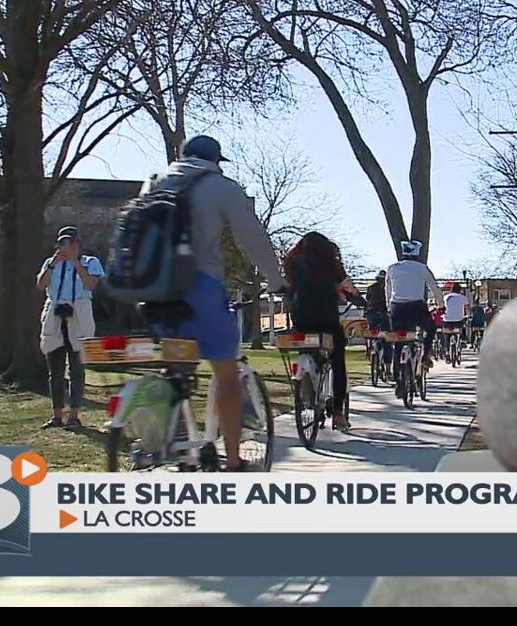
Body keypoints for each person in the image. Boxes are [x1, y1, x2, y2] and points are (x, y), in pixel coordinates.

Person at [141, 135, 285, 471]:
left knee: (178, 364)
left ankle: (176, 443)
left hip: (153, 290)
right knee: (226, 371)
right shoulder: (221, 186)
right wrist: (276, 280)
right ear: (216, 160)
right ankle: (233, 460)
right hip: (199, 287)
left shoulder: (153, 183)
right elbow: (252, 240)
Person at [286, 231, 365, 431]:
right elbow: (349, 289)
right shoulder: (331, 264)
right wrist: (359, 301)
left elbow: (286, 287)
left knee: (306, 346)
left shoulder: (292, 264)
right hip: (327, 321)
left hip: (301, 320)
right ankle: (338, 412)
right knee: (338, 361)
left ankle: (308, 384)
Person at [37, 226, 105, 429]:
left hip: (79, 313)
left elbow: (91, 284)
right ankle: (56, 415)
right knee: (55, 369)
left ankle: (74, 416)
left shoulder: (90, 262)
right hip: (55, 312)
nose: (67, 247)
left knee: (77, 368)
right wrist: (53, 264)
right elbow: (41, 285)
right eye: (63, 243)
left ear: (78, 244)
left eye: (71, 243)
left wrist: (75, 262)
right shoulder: (51, 264)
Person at [386, 240, 441, 395]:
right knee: (430, 329)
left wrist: (389, 308)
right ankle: (425, 356)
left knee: (398, 343)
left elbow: (388, 290)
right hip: (416, 306)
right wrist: (440, 304)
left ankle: (399, 380)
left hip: (397, 307)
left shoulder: (392, 268)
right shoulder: (422, 268)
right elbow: (435, 288)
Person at [365, 269, 392, 380]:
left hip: (371, 315)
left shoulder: (370, 288)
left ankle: (370, 349)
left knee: (371, 334)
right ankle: (388, 371)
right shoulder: (388, 289)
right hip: (383, 315)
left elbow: (367, 300)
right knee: (387, 341)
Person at [442, 282, 469, 350]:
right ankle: (463, 340)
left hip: (447, 319)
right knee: (463, 327)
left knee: (447, 334)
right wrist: (468, 315)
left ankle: (446, 349)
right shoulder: (463, 297)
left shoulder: (446, 297)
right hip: (458, 319)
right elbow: (467, 308)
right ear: (460, 290)